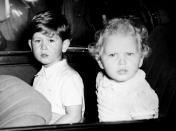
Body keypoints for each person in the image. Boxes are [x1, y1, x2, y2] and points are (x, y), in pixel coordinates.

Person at [88, 18, 159, 122]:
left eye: (129, 54)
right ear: (100, 62)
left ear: (140, 59)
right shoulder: (102, 78)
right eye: (112, 55)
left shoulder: (141, 96)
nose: (122, 62)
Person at [27, 10, 85, 124]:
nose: (44, 47)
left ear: (64, 45)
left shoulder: (69, 78)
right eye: (38, 41)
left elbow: (75, 116)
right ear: (30, 45)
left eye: (51, 40)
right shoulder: (38, 77)